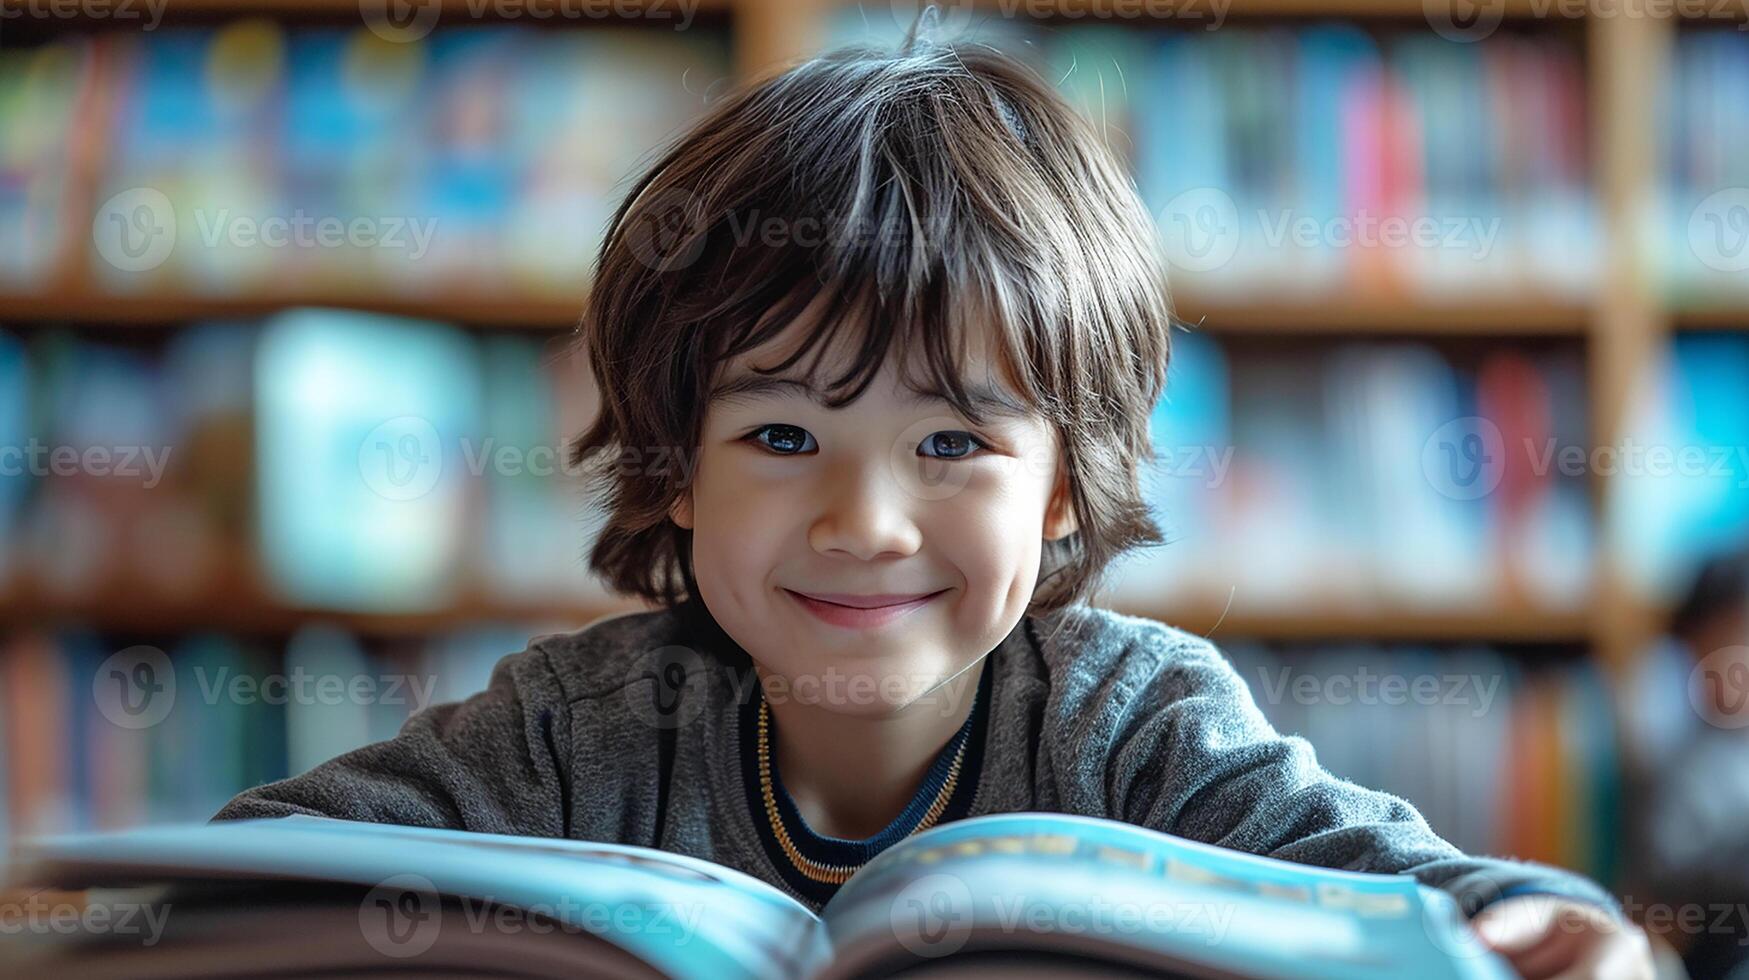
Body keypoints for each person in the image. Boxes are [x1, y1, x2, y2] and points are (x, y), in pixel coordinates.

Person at [215, 11, 1652, 978]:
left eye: (952, 445)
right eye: (780, 439)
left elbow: (1453, 905)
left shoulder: (1133, 721)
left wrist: (1558, 937)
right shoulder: (578, 728)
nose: (867, 522)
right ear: (669, 467)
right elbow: (246, 882)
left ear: (1064, 482)